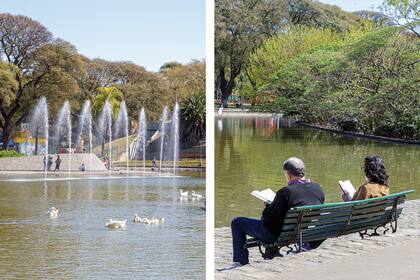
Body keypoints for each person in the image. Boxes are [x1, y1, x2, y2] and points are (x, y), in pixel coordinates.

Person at [230, 157, 325, 266]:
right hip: (300, 232)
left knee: (237, 222)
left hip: (276, 236)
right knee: (279, 220)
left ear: (288, 174)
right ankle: (272, 252)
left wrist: (268, 206)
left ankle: (240, 261)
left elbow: (267, 218)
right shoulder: (317, 189)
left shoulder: (286, 192)